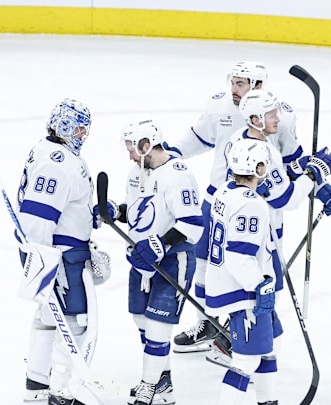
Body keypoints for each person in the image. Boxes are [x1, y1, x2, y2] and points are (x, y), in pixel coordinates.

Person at [168, 61, 306, 354]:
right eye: (233, 82)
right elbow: (198, 136)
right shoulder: (220, 107)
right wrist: (172, 152)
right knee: (206, 267)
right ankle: (209, 324)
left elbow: (293, 156)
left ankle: (248, 335)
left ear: (258, 86)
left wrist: (312, 177)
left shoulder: (275, 115)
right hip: (217, 199)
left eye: (241, 83)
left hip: (258, 204)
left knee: (254, 269)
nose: (233, 89)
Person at [205, 88, 331, 367]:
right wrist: (317, 173)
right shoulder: (264, 150)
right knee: (261, 297)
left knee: (255, 298)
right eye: (270, 114)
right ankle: (245, 354)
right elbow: (285, 197)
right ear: (254, 118)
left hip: (245, 228)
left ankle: (239, 346)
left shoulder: (241, 141)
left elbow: (283, 175)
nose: (277, 119)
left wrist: (319, 187)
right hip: (259, 236)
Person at [17, 98, 109, 404]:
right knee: (77, 321)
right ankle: (62, 390)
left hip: (56, 252)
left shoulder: (51, 151)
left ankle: (37, 384)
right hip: (60, 257)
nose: (84, 134)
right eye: (79, 127)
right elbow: (37, 220)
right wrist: (43, 266)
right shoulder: (59, 163)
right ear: (65, 126)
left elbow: (63, 205)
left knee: (46, 316)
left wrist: (87, 213)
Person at [106, 119, 204, 405]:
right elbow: (138, 213)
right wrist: (116, 211)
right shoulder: (136, 173)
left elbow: (192, 223)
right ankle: (163, 384)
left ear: (146, 145)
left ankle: (148, 385)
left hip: (173, 261)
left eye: (132, 150)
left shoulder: (178, 175)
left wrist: (162, 243)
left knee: (159, 326)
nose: (130, 156)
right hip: (141, 260)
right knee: (142, 320)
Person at [204, 138, 280, 405]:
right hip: (242, 290)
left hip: (223, 281)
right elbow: (239, 256)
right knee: (247, 361)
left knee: (268, 349)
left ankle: (269, 401)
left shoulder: (225, 190)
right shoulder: (252, 205)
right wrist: (260, 286)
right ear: (258, 168)